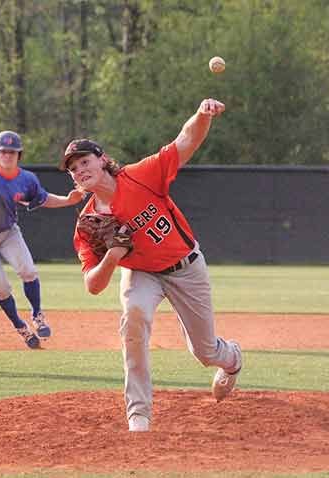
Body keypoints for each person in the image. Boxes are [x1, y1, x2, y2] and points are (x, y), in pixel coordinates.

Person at [59, 99, 242, 432]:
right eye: (73, 169)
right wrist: (114, 256)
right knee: (134, 318)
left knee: (204, 351)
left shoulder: (140, 176)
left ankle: (231, 359)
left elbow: (185, 142)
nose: (80, 170)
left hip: (185, 267)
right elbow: (93, 286)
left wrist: (202, 115)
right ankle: (138, 414)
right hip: (141, 272)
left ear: (102, 160)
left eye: (84, 161)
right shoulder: (88, 224)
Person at [0, 130, 84, 349]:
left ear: (19, 155)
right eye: (3, 151)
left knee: (28, 271)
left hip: (9, 232)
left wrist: (68, 201)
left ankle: (37, 315)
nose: (7, 155)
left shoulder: (26, 179)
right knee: (1, 288)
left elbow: (44, 198)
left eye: (12, 152)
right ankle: (20, 326)